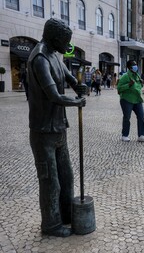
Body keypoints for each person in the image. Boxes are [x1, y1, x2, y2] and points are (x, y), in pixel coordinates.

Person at [27, 18, 86, 237]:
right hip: (43, 132)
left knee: (67, 177)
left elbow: (70, 79)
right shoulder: (40, 57)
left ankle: (66, 214)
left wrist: (80, 85)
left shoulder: (54, 55)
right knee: (50, 181)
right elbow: (53, 95)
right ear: (54, 39)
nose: (68, 46)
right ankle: (51, 224)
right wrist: (76, 102)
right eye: (66, 42)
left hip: (59, 128)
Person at [117, 60, 144, 142]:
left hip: (137, 100)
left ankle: (141, 135)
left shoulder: (137, 75)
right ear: (129, 67)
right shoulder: (125, 76)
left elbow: (138, 88)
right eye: (134, 65)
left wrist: (141, 83)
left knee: (141, 116)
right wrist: (128, 85)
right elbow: (119, 89)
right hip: (127, 100)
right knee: (127, 117)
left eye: (136, 65)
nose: (136, 66)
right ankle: (125, 135)